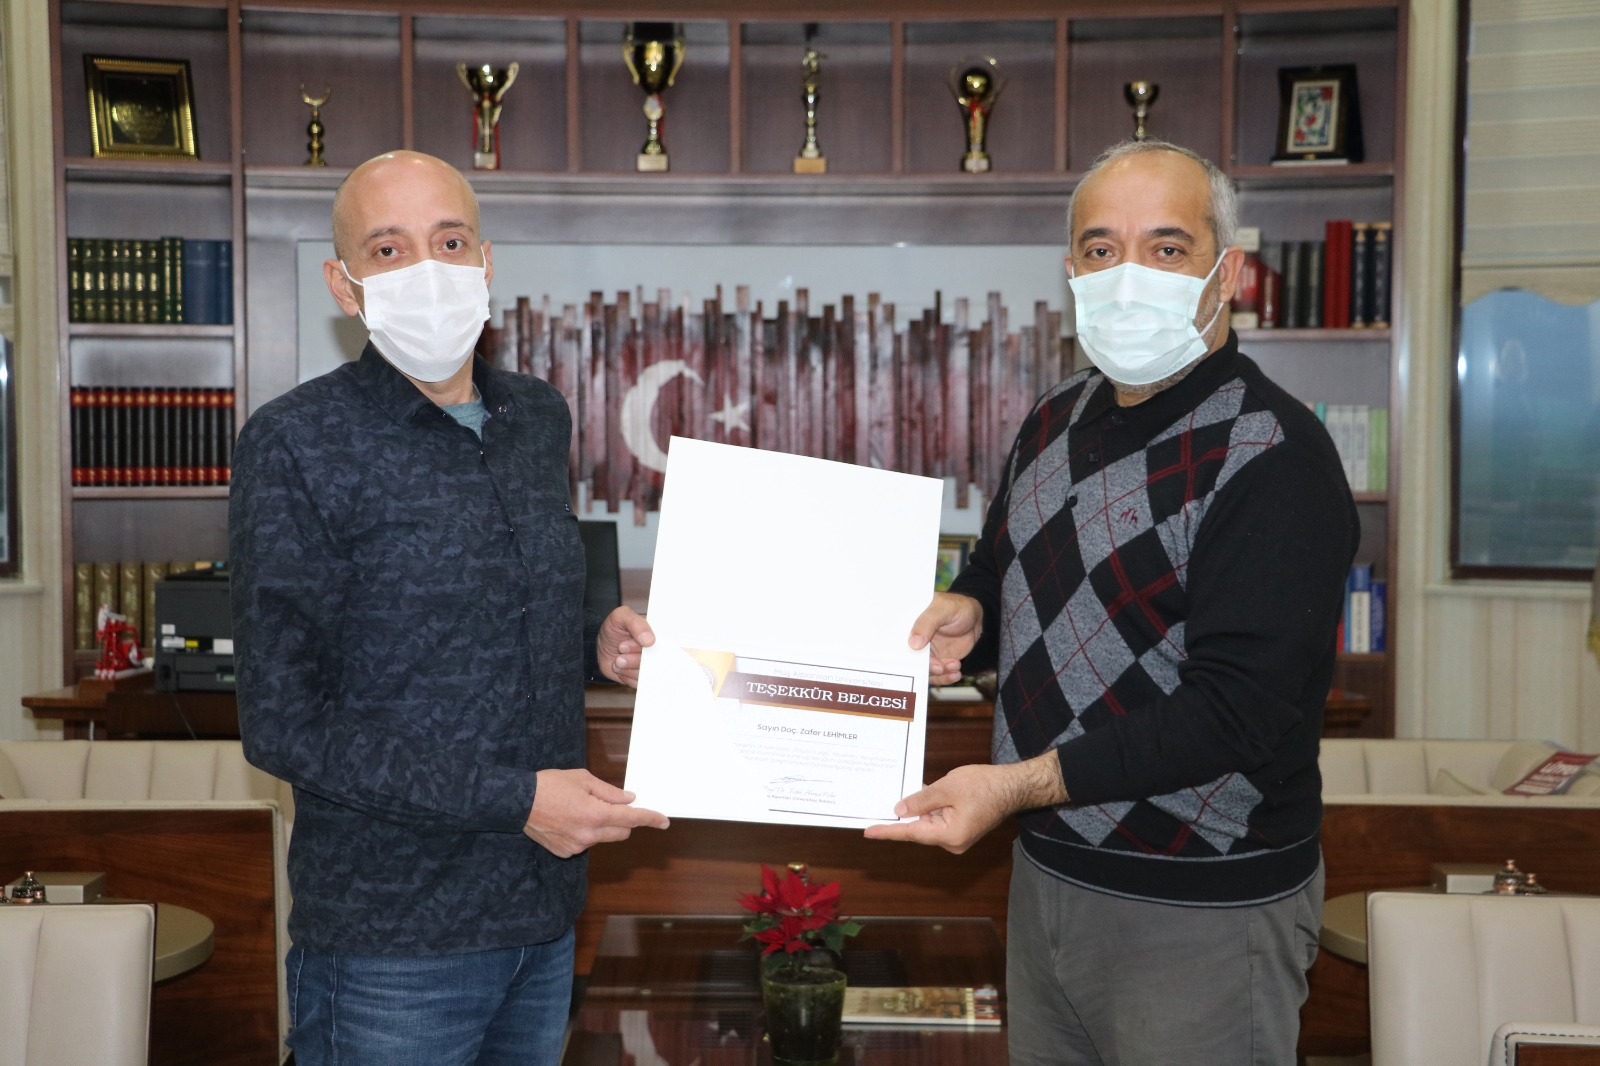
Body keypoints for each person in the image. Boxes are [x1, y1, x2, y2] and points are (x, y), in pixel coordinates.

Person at [866, 140, 1359, 1064]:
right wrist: (973, 614)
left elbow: (1238, 710)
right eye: (1102, 249)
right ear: (1072, 273)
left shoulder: (1274, 455)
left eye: (1167, 248)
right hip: (1048, 881)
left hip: (1202, 912)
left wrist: (1016, 785)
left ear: (1227, 273)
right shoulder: (1056, 415)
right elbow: (1005, 567)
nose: (1130, 274)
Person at [229, 150, 669, 1066]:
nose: (427, 270)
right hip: (392, 943)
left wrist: (595, 645)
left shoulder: (534, 417)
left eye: (450, 241)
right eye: (388, 250)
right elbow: (283, 723)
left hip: (543, 914)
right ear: (343, 284)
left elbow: (497, 619)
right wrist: (516, 801)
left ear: (486, 262)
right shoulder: (296, 442)